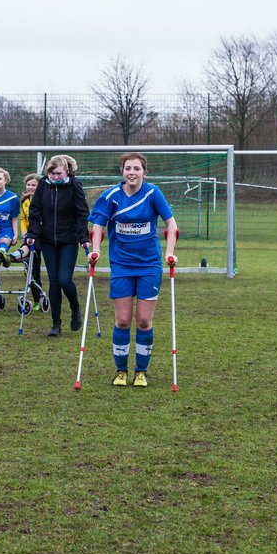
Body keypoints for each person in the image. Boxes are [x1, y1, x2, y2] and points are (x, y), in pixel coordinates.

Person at [88, 152, 178, 387]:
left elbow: (171, 224)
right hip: (121, 265)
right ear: (122, 172)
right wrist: (95, 249)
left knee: (144, 321)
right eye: (128, 168)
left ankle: (141, 371)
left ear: (144, 172)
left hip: (149, 265)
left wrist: (169, 252)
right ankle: (120, 371)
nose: (132, 173)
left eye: (136, 169)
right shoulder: (111, 196)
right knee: (123, 320)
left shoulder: (153, 193)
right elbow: (97, 225)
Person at [25, 155, 89, 337]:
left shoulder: (74, 185)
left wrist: (83, 236)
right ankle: (56, 323)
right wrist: (32, 234)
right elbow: (35, 211)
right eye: (52, 174)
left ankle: (75, 308)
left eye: (59, 174)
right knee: (53, 282)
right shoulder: (44, 185)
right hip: (47, 241)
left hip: (68, 240)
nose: (55, 177)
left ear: (67, 171)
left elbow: (82, 212)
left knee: (63, 280)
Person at [13, 172, 44, 307]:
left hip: (43, 237)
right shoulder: (25, 201)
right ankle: (37, 298)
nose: (30, 187)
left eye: (34, 185)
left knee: (34, 267)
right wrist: (24, 231)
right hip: (31, 236)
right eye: (28, 184)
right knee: (31, 269)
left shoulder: (44, 200)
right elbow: (23, 218)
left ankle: (15, 255)